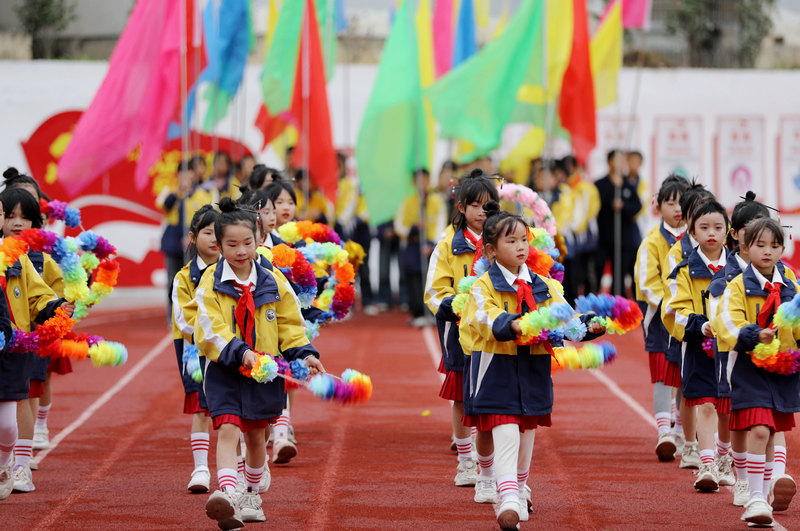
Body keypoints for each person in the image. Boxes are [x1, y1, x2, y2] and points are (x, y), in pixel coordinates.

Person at [459, 202, 605, 529]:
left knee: (526, 429)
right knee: (505, 427)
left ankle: (519, 485)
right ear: (492, 251)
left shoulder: (545, 286)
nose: (521, 246)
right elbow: (483, 316)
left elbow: (566, 318)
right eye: (511, 241)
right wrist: (511, 324)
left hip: (534, 368)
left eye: (524, 239)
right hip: (495, 368)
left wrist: (590, 326)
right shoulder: (484, 285)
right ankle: (507, 495)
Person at [188, 197, 324, 529]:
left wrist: (304, 353)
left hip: (266, 372)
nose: (240, 250)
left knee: (256, 437)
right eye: (231, 244)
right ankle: (228, 494)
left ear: (258, 240)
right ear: (219, 245)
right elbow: (207, 326)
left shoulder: (273, 280)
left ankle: (251, 493)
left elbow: (290, 325)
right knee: (229, 429)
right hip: (225, 371)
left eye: (247, 242)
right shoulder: (210, 282)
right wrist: (240, 351)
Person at [714, 218, 800, 527]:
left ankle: (762, 494)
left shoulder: (790, 284)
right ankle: (754, 496)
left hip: (782, 370)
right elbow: (724, 322)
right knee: (760, 429)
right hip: (748, 369)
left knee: (772, 431)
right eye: (760, 245)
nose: (767, 252)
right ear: (745, 247)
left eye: (774, 246)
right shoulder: (737, 285)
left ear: (782, 249)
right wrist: (753, 334)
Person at [424, 170, 498, 489]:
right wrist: (456, 305)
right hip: (459, 331)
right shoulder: (447, 245)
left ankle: (490, 464)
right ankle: (465, 460)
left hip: (495, 331)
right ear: (461, 207)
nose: (482, 212)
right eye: (476, 205)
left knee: (492, 393)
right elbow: (433, 291)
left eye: (489, 206)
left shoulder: (503, 239)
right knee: (460, 396)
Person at [0, 191, 74, 495]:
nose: (15, 222)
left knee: (7, 424)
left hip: (14, 350)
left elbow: (38, 296)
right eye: (10, 215)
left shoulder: (18, 256)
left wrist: (57, 307)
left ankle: (9, 465)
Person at [664, 200, 731, 492]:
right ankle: (706, 464)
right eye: (704, 227)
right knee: (705, 403)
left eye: (718, 227)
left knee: (727, 408)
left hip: (731, 351)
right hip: (698, 347)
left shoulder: (739, 269)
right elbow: (673, 310)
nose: (712, 233)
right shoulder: (683, 270)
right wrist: (700, 325)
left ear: (729, 231)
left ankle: (726, 458)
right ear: (691, 231)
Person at [634, 175, 689, 461]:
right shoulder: (652, 242)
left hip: (689, 320)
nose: (678, 208)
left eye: (682, 202)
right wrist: (671, 306)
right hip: (660, 320)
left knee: (685, 376)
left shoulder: (698, 239)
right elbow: (646, 283)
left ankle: (681, 429)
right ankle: (664, 432)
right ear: (659, 207)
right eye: (671, 202)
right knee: (662, 377)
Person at [171, 205, 219, 493]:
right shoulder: (183, 278)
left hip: (231, 350)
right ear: (193, 236)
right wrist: (213, 334)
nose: (214, 238)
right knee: (202, 408)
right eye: (207, 232)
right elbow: (182, 320)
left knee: (235, 410)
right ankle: (200, 468)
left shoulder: (235, 270)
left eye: (218, 232)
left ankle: (240, 467)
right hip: (195, 352)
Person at [394, 169, 447, 327]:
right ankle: (417, 312)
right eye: (418, 180)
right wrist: (413, 229)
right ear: (413, 182)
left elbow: (440, 224)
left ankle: (430, 312)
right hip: (413, 244)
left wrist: (432, 244)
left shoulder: (437, 201)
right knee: (413, 278)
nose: (422, 183)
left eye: (425, 180)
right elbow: (399, 225)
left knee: (430, 279)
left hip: (430, 246)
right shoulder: (408, 202)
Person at [594, 149, 642, 296]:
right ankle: (594, 300)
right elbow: (596, 205)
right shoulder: (600, 183)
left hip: (623, 239)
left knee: (620, 274)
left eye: (623, 160)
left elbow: (637, 206)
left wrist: (623, 205)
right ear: (609, 162)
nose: (621, 163)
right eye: (617, 160)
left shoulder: (627, 183)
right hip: (604, 237)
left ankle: (618, 301)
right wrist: (613, 189)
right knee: (597, 269)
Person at [334, 152, 375, 315]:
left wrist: (343, 221)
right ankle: (346, 305)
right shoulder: (333, 184)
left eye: (340, 164)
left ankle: (368, 302)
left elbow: (353, 207)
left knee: (363, 268)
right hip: (342, 231)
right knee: (345, 270)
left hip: (358, 231)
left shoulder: (352, 183)